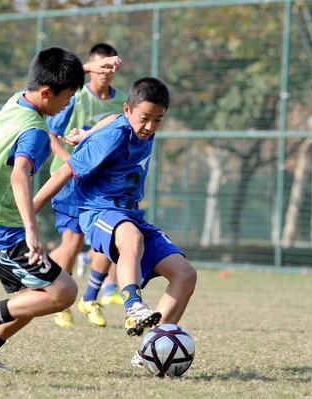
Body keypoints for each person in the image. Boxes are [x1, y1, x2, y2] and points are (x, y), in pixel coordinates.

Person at [0, 46, 122, 372]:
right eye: (66, 98)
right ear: (47, 93)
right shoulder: (35, 131)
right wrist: (32, 230)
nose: (67, 105)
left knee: (33, 299)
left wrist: (88, 67)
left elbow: (48, 77)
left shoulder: (17, 100)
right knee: (62, 292)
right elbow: (20, 174)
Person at [33, 77, 197, 367]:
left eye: (158, 120)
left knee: (185, 275)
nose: (150, 126)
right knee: (130, 238)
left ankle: (149, 349)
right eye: (145, 118)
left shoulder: (138, 128)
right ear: (129, 110)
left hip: (130, 212)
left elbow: (111, 116)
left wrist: (85, 133)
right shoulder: (113, 136)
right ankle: (133, 306)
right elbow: (62, 173)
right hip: (97, 211)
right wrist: (28, 213)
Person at [47, 43, 126, 328]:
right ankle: (58, 301)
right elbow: (53, 134)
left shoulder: (123, 102)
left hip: (103, 182)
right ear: (91, 67)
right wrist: (72, 163)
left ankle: (92, 296)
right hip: (70, 179)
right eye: (100, 66)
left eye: (110, 67)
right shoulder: (76, 96)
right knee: (73, 242)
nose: (105, 73)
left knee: (111, 237)